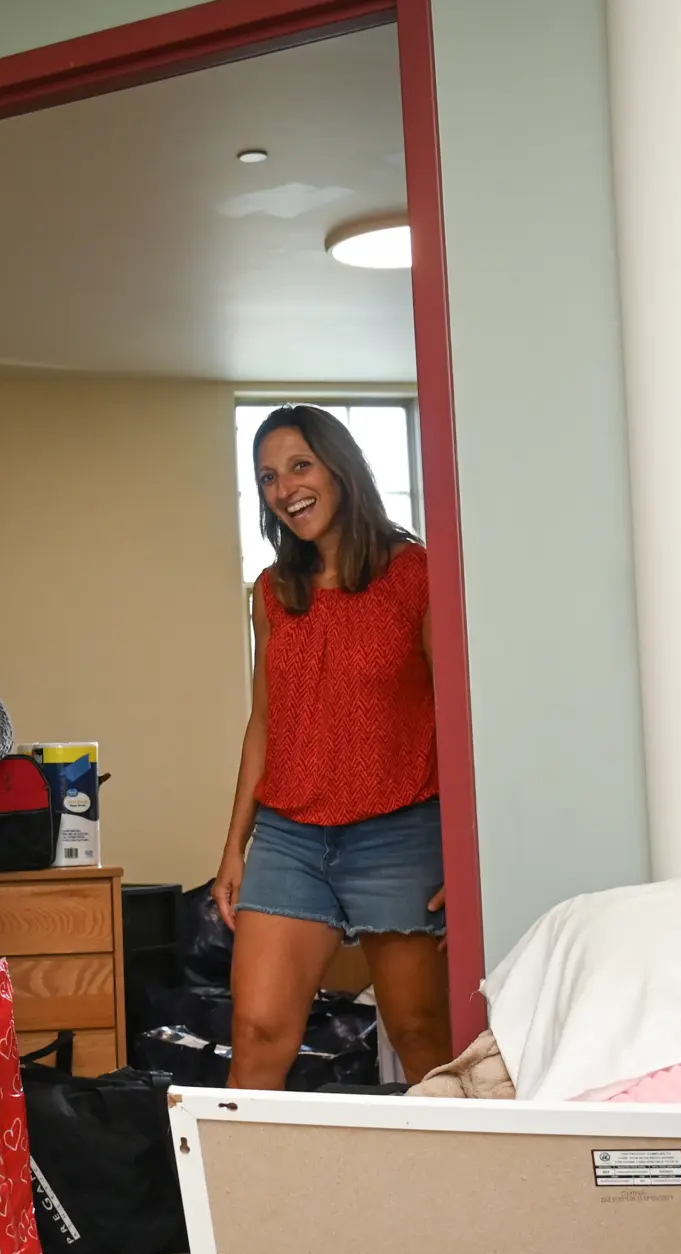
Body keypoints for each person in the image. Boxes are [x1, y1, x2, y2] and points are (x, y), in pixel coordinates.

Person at [215, 405, 452, 1091]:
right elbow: (265, 721)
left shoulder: (415, 575)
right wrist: (235, 846)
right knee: (256, 1033)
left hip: (401, 834)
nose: (284, 489)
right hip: (291, 840)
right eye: (267, 477)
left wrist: (467, 857)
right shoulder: (272, 591)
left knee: (421, 1037)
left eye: (299, 466)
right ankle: (242, 1200)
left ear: (339, 467)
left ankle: (457, 1196)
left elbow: (455, 715)